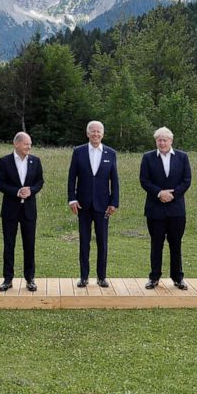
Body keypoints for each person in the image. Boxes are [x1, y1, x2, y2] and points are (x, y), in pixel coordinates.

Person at [67, 120, 119, 288]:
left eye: (99, 131)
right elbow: (71, 177)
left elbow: (115, 181)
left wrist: (114, 202)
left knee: (102, 242)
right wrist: (72, 198)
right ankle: (84, 276)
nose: (96, 134)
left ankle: (101, 277)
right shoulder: (78, 152)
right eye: (93, 131)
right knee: (84, 241)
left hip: (103, 205)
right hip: (83, 205)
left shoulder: (110, 153)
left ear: (103, 134)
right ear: (87, 133)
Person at [139, 127, 192, 290]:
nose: (162, 143)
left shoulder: (182, 157)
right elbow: (144, 180)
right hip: (155, 209)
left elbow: (187, 179)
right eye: (159, 140)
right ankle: (154, 277)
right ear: (156, 141)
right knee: (156, 244)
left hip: (176, 209)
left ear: (171, 141)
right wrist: (159, 193)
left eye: (165, 140)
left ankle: (178, 278)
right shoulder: (148, 157)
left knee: (176, 244)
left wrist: (173, 194)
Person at [0, 132, 45, 292]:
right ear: (16, 144)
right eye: (26, 144)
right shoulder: (4, 161)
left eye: (30, 144)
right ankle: (8, 279)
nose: (29, 146)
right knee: (9, 245)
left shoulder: (35, 161)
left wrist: (31, 190)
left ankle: (30, 279)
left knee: (29, 245)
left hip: (29, 210)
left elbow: (40, 181)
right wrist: (17, 191)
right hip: (10, 210)